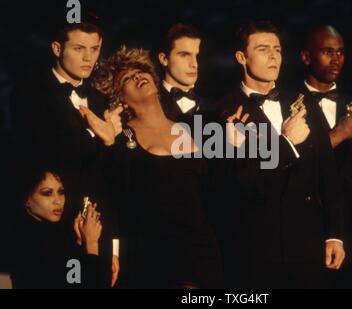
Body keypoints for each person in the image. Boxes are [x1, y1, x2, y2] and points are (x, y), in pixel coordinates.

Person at [216, 21, 344, 288]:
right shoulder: (223, 112)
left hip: (307, 243)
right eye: (263, 49)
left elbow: (327, 171)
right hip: (258, 247)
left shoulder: (303, 101)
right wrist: (287, 143)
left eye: (277, 49)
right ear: (241, 57)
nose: (274, 56)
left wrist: (334, 234)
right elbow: (240, 183)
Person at [93, 46, 223, 288]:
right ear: (119, 96)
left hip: (203, 253)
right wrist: (110, 145)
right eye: (127, 78)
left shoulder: (193, 128)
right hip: (155, 257)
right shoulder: (121, 138)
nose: (138, 77)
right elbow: (114, 200)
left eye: (141, 71)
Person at [10, 14, 122, 283]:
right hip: (50, 236)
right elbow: (54, 153)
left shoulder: (101, 99)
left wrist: (113, 247)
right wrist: (105, 139)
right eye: (79, 48)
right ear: (57, 49)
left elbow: (113, 180)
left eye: (94, 49)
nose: (89, 58)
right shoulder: (30, 94)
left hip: (98, 234)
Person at [298, 25, 352, 285]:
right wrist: (339, 134)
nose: (336, 59)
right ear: (306, 57)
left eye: (340, 52)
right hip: (302, 227)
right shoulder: (288, 104)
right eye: (327, 51)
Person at [9, 164, 108, 288]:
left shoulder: (48, 235)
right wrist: (91, 244)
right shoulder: (26, 242)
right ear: (26, 200)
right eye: (47, 193)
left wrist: (80, 242)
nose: (58, 200)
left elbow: (73, 279)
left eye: (61, 192)